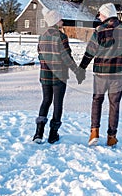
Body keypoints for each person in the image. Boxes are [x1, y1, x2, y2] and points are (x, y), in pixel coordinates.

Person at [77, 3, 122, 147]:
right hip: (118, 74)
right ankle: (111, 137)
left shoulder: (100, 30)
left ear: (107, 14)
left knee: (97, 100)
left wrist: (82, 67)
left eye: (100, 14)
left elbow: (90, 51)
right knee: (114, 104)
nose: (99, 17)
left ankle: (94, 132)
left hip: (101, 73)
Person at [33, 9, 81, 144]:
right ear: (55, 22)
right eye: (60, 19)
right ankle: (53, 134)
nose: (62, 21)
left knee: (46, 100)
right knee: (57, 104)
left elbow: (40, 55)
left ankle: (38, 133)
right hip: (59, 76)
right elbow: (67, 57)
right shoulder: (61, 37)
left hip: (45, 75)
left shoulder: (42, 36)